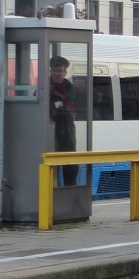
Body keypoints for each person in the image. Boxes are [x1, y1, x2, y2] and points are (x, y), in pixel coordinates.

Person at [49, 54, 78, 185]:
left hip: (66, 128)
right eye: (55, 70)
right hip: (49, 127)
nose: (57, 73)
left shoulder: (68, 86)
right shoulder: (44, 84)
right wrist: (56, 105)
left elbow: (69, 104)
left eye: (60, 71)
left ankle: (69, 186)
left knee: (70, 160)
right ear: (50, 71)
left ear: (65, 72)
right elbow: (41, 102)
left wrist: (53, 105)